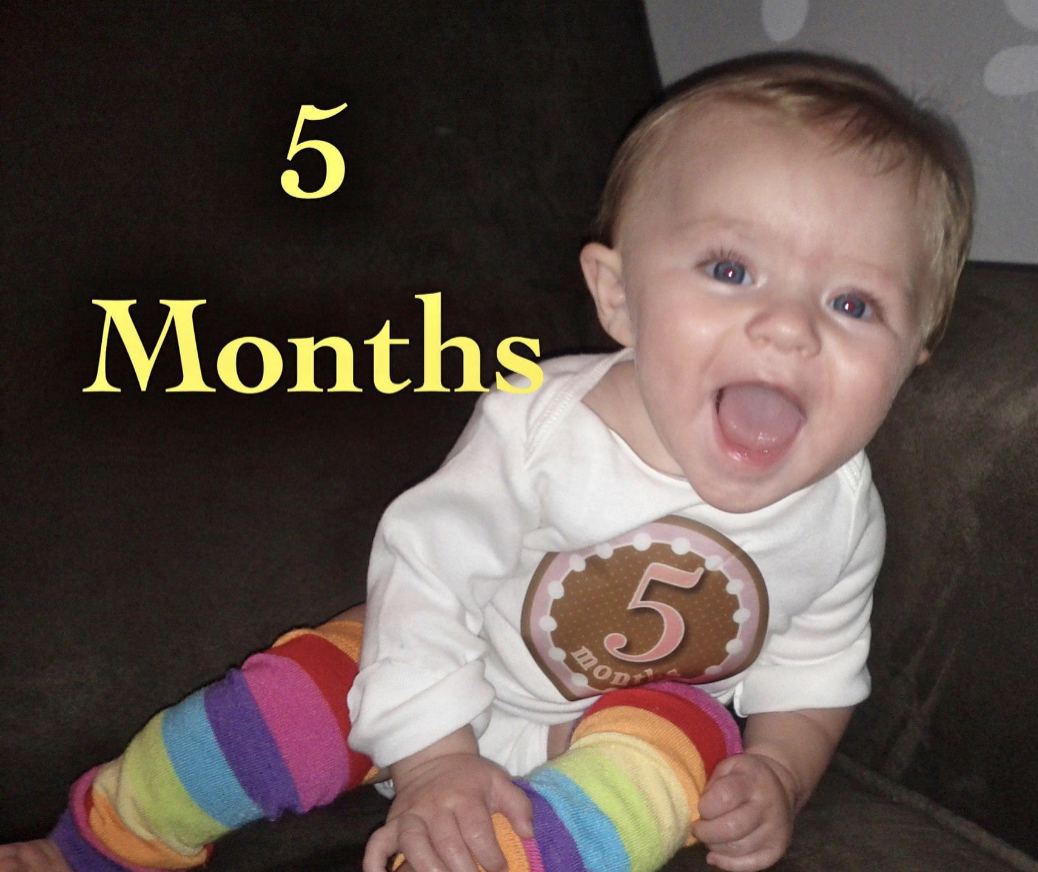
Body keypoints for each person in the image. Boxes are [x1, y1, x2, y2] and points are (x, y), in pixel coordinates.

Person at [0, 52, 974, 872]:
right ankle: (99, 843)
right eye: (730, 270)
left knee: (682, 749)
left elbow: (811, 674)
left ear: (914, 355)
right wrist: (432, 760)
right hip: (436, 664)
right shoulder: (540, 427)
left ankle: (509, 855)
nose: (788, 326)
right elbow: (425, 581)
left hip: (610, 726)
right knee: (280, 705)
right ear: (618, 296)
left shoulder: (842, 514)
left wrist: (781, 775)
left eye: (853, 304)